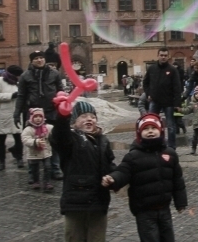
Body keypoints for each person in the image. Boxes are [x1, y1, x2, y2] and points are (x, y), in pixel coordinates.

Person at [102, 113, 187, 242]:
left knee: (168, 238)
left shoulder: (170, 154)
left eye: (153, 128)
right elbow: (123, 172)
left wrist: (180, 202)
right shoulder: (133, 156)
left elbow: (177, 180)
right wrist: (113, 179)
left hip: (164, 209)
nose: (150, 131)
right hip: (144, 211)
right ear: (139, 133)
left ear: (160, 131)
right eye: (146, 129)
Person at [51, 101, 116, 242]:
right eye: (84, 116)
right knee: (74, 237)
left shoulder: (103, 141)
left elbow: (110, 165)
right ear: (74, 122)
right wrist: (62, 117)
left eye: (92, 116)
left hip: (99, 202)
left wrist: (114, 178)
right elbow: (59, 136)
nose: (89, 119)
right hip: (76, 203)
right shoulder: (71, 139)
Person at [14, 50, 65, 179]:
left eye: (41, 57)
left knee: (53, 140)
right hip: (33, 114)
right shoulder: (25, 76)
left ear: (45, 59)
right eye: (36, 58)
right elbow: (21, 96)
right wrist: (17, 113)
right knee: (33, 141)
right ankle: (34, 172)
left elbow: (61, 92)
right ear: (32, 61)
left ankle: (55, 168)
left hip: (51, 111)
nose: (39, 60)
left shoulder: (54, 74)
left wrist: (63, 108)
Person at [143, 47, 182, 150]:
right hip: (155, 100)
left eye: (165, 55)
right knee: (152, 123)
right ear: (158, 55)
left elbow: (177, 87)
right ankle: (154, 144)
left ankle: (171, 147)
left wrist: (177, 103)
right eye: (161, 55)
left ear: (168, 56)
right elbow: (145, 83)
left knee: (170, 126)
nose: (163, 57)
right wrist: (148, 94)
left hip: (168, 102)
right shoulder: (152, 68)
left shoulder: (172, 70)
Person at [0, 65, 24, 170]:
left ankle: (19, 159)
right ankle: (2, 162)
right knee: (1, 139)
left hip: (15, 113)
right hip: (2, 114)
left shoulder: (18, 82)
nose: (18, 77)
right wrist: (11, 95)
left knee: (18, 137)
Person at [21, 108, 53, 191]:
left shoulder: (48, 127)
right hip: (33, 153)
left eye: (40, 116)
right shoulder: (28, 129)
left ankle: (47, 182)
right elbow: (25, 139)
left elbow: (56, 131)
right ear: (31, 118)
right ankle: (36, 181)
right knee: (34, 168)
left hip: (45, 152)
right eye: (36, 116)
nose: (38, 118)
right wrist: (35, 142)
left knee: (48, 167)